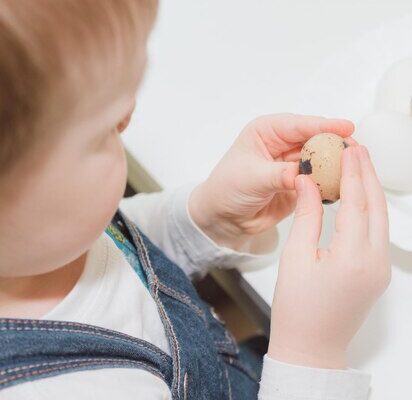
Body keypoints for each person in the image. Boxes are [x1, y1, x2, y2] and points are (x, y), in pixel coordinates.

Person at [0, 1, 391, 399]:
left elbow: (119, 250)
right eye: (105, 129)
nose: (129, 115)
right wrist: (311, 354)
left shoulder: (39, 243)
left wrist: (204, 221)